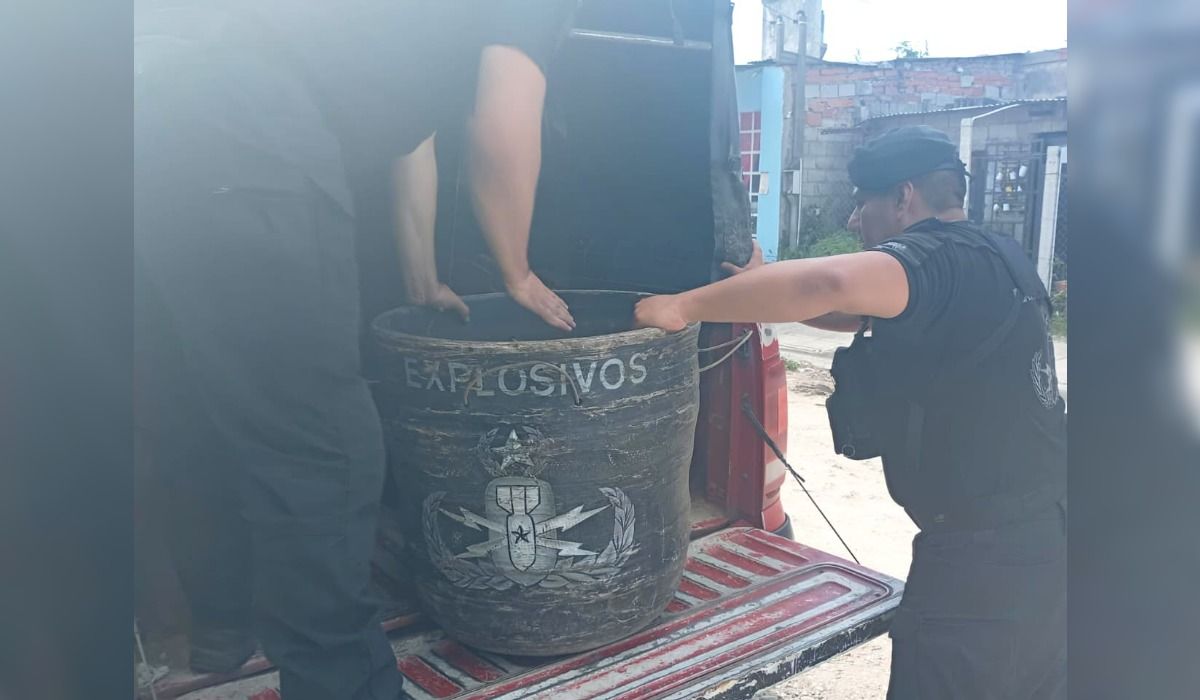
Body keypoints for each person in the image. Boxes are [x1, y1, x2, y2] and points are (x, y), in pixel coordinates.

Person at [134, 2, 576, 698]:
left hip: (147, 127)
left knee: (208, 398)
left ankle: (221, 624)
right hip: (251, 132)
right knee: (320, 445)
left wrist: (421, 276)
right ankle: (342, 682)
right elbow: (501, 122)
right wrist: (516, 271)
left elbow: (411, 136)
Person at [635, 126, 1067, 699]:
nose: (853, 220)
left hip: (986, 568)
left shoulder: (933, 259)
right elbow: (850, 310)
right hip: (1042, 544)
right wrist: (754, 286)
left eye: (862, 203)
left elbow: (831, 281)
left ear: (903, 197)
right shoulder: (992, 256)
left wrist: (680, 307)